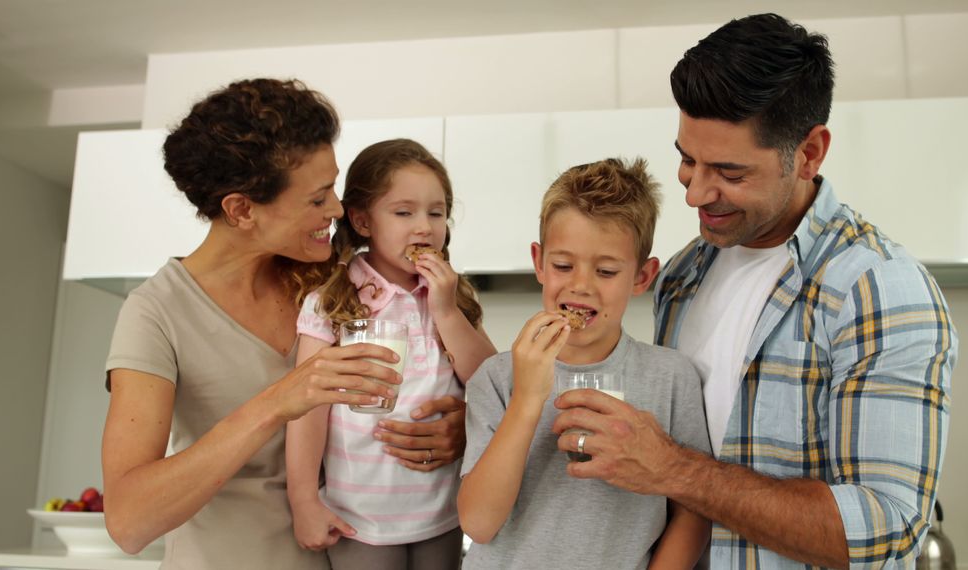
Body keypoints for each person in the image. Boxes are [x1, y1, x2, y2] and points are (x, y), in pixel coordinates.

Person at [552, 13, 959, 569]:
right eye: (686, 159)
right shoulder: (682, 274)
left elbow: (886, 529)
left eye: (729, 171)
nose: (695, 193)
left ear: (810, 152)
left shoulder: (876, 288)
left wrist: (675, 468)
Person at [101, 80, 467, 570]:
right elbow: (129, 522)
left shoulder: (337, 281)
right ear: (241, 209)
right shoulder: (156, 313)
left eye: (333, 188)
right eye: (317, 199)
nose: (336, 210)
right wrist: (279, 400)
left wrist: (458, 430)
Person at [458, 158, 712, 569]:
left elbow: (693, 509)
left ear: (642, 277)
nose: (581, 285)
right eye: (563, 265)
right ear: (539, 262)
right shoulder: (497, 378)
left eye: (607, 270)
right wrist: (527, 399)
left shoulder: (671, 378)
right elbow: (479, 524)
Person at [285, 139, 497, 569]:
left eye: (436, 213)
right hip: (358, 518)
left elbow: (491, 382)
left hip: (442, 514)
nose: (424, 227)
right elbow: (306, 411)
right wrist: (303, 500)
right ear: (363, 221)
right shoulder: (332, 301)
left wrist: (446, 310)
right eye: (404, 213)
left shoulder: (453, 298)